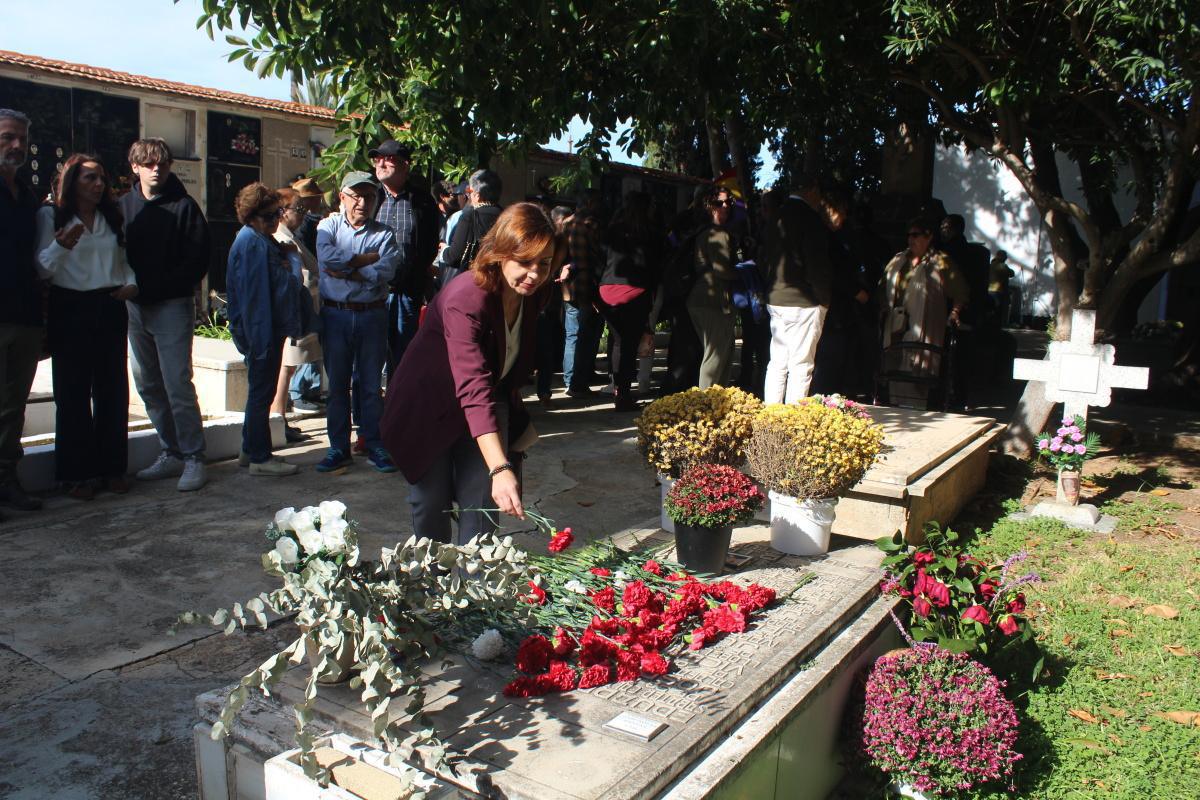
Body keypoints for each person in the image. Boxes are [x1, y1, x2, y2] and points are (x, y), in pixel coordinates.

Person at [380, 203, 558, 545]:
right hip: (428, 408)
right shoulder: (466, 297)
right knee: (431, 506)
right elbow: (471, 384)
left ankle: (474, 591)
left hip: (490, 402)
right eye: (524, 262)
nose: (534, 274)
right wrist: (501, 467)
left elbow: (497, 379)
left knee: (483, 509)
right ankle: (435, 588)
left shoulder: (533, 294)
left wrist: (499, 468)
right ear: (500, 253)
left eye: (544, 264)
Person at [35, 154, 139, 499]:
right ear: (71, 181)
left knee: (112, 390)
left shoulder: (111, 217)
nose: (97, 185)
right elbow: (42, 269)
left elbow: (122, 260)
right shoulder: (51, 216)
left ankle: (112, 469)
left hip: (109, 305)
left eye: (101, 178)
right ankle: (75, 474)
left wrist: (131, 283)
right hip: (71, 306)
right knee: (72, 392)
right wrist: (60, 246)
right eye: (89, 178)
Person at [119, 138, 212, 492]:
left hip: (171, 305)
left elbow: (197, 261)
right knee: (147, 384)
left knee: (177, 383)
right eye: (148, 163)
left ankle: (193, 456)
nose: (156, 168)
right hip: (134, 306)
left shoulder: (185, 208)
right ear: (135, 166)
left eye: (162, 163)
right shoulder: (123, 207)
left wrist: (151, 287)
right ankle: (170, 449)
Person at [315, 171, 399, 474]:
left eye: (369, 196)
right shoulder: (328, 226)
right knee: (337, 385)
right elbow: (327, 259)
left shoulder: (384, 233)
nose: (363, 202)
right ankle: (338, 447)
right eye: (356, 196)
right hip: (336, 314)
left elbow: (386, 270)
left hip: (371, 314)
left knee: (371, 384)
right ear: (342, 198)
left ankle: (373, 442)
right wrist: (365, 261)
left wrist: (349, 268)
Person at [224, 183, 301, 476]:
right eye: (270, 215)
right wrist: (290, 261)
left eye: (278, 213)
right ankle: (259, 457)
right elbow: (256, 298)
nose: (276, 220)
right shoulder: (253, 243)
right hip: (262, 331)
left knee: (261, 390)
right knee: (260, 392)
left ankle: (251, 448)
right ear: (253, 216)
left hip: (266, 329)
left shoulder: (258, 240)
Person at [0, 108, 44, 513]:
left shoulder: (27, 197)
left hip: (25, 317)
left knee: (14, 406)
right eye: (7, 137)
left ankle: (8, 482)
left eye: (21, 139)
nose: (16, 146)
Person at [879, 217, 969, 409]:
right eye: (908, 235)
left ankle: (915, 410)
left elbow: (960, 292)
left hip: (924, 324)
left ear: (928, 237)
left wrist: (955, 312)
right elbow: (883, 286)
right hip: (896, 324)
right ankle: (896, 409)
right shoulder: (898, 260)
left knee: (917, 369)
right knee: (895, 367)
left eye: (916, 234)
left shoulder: (941, 262)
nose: (910, 239)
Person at [760, 176, 834, 404]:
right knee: (801, 366)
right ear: (812, 190)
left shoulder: (776, 216)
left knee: (777, 364)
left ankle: (770, 423)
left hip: (776, 297)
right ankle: (792, 426)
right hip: (803, 301)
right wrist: (824, 300)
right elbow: (816, 266)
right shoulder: (810, 219)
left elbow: (763, 259)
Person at [369, 139, 439, 373]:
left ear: (405, 165)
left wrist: (417, 273)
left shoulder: (422, 201)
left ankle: (397, 402)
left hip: (407, 289)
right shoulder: (370, 196)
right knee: (372, 352)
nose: (381, 163)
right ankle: (371, 405)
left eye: (388, 159)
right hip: (372, 290)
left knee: (403, 353)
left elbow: (430, 244)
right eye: (377, 159)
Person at [597, 191, 664, 410]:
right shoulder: (650, 233)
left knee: (617, 343)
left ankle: (618, 388)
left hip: (607, 290)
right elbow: (656, 268)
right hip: (636, 292)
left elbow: (600, 260)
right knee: (628, 345)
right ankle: (624, 395)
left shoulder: (611, 231)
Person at [270, 187, 322, 444]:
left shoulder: (291, 237)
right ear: (282, 212)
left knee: (287, 369)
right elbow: (299, 276)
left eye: (303, 209)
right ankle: (277, 418)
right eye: (297, 209)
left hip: (301, 311)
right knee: (285, 368)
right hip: (292, 314)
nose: (302, 214)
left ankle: (280, 419)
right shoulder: (281, 239)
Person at [686, 187, 741, 389]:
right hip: (713, 301)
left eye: (729, 202)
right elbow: (722, 271)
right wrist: (745, 274)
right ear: (709, 207)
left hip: (702, 300)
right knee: (716, 358)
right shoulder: (718, 234)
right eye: (719, 203)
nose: (725, 206)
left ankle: (715, 405)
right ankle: (706, 408)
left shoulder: (703, 232)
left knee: (719, 357)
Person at [939, 213, 990, 408]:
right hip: (970, 311)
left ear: (954, 229)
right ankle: (960, 397)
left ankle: (951, 396)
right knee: (962, 357)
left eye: (945, 227)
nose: (942, 231)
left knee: (952, 356)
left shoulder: (948, 253)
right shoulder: (978, 253)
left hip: (954, 310)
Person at [562, 189, 605, 397]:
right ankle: (579, 382)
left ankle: (570, 379)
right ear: (588, 202)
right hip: (588, 284)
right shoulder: (591, 224)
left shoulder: (565, 223)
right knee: (586, 335)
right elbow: (599, 255)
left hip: (568, 285)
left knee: (572, 334)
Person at [436, 169, 503, 290]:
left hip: (473, 283)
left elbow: (454, 257)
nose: (468, 195)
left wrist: (444, 248)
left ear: (477, 194)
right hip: (498, 282)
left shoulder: (469, 216)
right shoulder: (507, 216)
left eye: (469, 191)